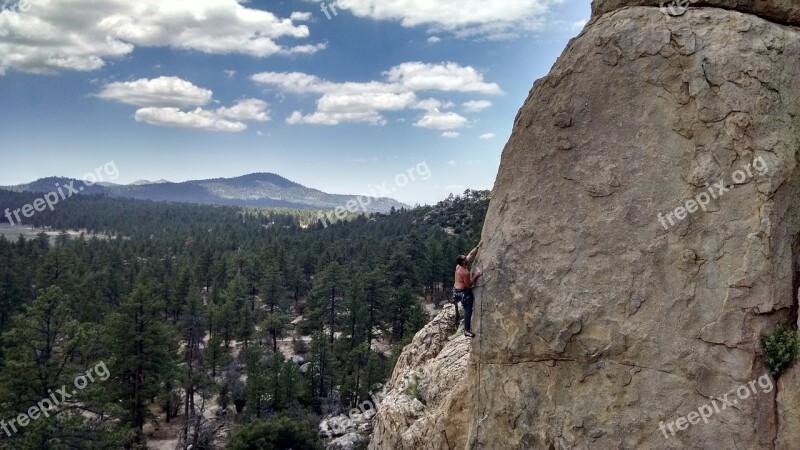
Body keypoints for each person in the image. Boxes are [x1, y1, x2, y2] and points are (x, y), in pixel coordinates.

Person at [453, 241, 483, 338]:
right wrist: (476, 275)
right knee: (468, 311)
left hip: (455, 290)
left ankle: (454, 298)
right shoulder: (464, 272)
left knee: (467, 307)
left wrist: (477, 247)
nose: (466, 257)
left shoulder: (459, 265)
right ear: (463, 262)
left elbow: (470, 254)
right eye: (464, 258)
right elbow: (469, 285)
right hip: (462, 293)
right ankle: (466, 330)